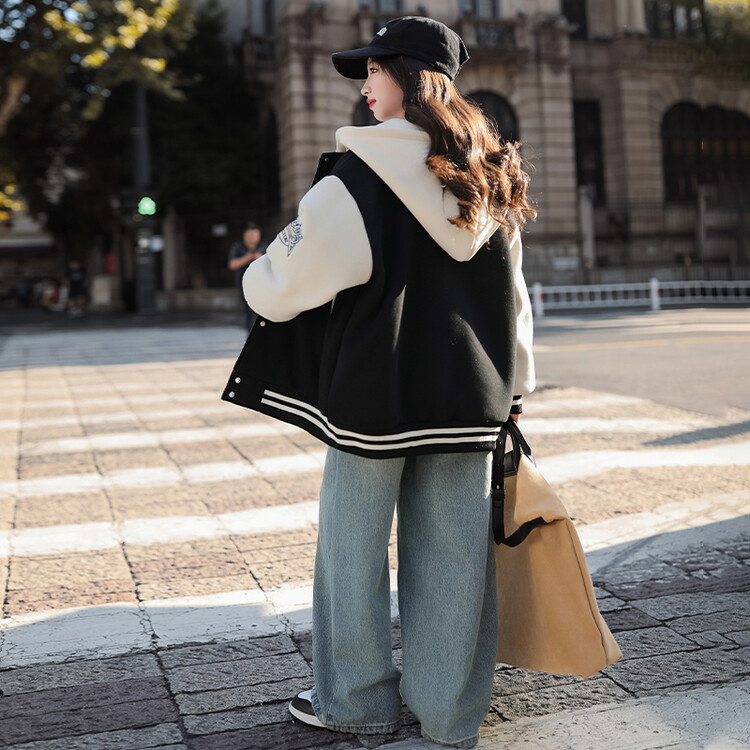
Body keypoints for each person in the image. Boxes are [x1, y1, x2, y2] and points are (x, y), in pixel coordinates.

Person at [224, 16, 536, 749]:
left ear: (410, 76)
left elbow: (278, 290)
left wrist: (262, 268)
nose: (365, 83)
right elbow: (516, 302)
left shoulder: (357, 177)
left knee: (351, 553)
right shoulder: (489, 173)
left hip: (373, 397)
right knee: (457, 556)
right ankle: (450, 713)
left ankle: (356, 700)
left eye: (373, 68)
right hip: (471, 397)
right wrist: (516, 391)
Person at [227, 222, 267, 331]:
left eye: (254, 234)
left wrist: (260, 257)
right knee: (248, 311)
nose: (252, 236)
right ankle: (250, 333)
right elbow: (232, 264)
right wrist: (247, 257)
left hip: (262, 284)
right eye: (249, 234)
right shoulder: (238, 247)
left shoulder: (264, 247)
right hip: (244, 284)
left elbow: (273, 263)